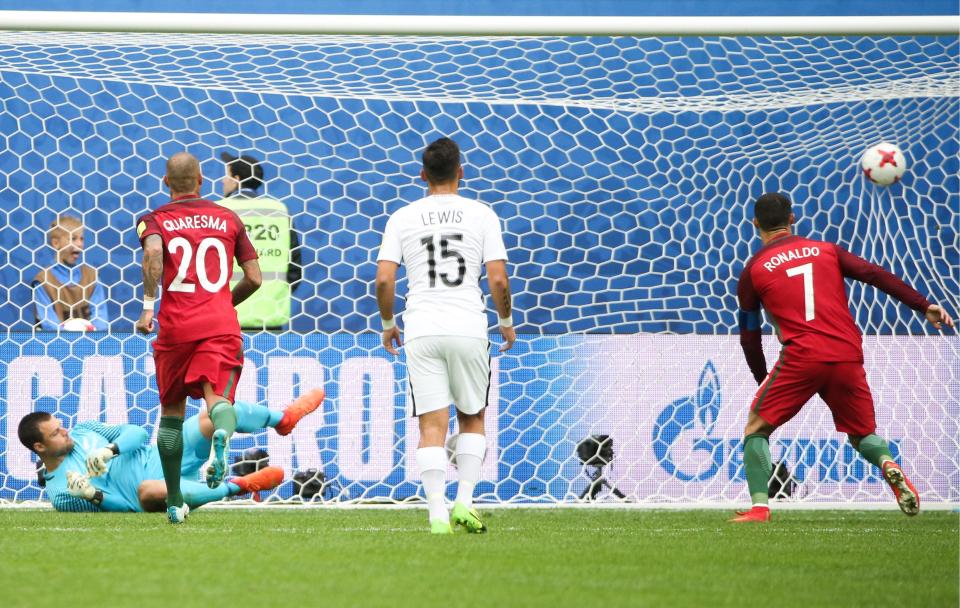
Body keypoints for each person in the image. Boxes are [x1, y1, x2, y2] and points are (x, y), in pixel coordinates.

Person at [732, 192, 954, 523]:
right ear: (793, 219)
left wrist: (762, 376)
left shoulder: (753, 270)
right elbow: (874, 274)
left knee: (756, 428)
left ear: (755, 225)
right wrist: (923, 306)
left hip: (802, 357)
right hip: (847, 353)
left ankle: (760, 508)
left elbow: (750, 335)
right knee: (862, 434)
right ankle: (888, 464)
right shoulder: (826, 251)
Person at [375, 137, 515, 534]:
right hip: (470, 325)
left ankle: (436, 515)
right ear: (461, 172)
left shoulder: (403, 216)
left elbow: (385, 278)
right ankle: (464, 503)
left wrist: (388, 325)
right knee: (472, 418)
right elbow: (498, 277)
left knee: (431, 426)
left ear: (422, 175)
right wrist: (505, 319)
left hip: (422, 328)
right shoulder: (481, 214)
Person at [135, 152, 273, 524]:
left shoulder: (153, 220)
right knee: (218, 400)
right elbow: (256, 278)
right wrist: (221, 303)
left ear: (166, 183)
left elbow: (152, 255)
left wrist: (149, 307)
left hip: (176, 328)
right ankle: (222, 438)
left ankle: (176, 501)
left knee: (172, 416)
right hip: (218, 324)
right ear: (201, 178)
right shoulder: (228, 217)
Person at [17, 392, 322, 513]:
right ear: (40, 448)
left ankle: (283, 419)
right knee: (149, 491)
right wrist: (93, 496)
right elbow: (124, 509)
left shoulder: (84, 430)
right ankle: (241, 485)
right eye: (56, 432)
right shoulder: (60, 494)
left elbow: (135, 433)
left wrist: (112, 450)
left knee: (213, 412)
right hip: (151, 490)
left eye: (61, 425)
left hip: (163, 455)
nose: (65, 430)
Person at [218, 152, 303, 330]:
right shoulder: (279, 211)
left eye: (226, 175)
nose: (222, 181)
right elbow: (295, 270)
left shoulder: (219, 211)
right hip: (271, 318)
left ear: (236, 179)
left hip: (224, 318)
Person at [33, 214, 108, 331]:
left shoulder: (91, 276)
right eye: (73, 238)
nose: (79, 244)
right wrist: (71, 339)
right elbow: (48, 324)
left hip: (89, 344)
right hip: (56, 345)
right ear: (55, 243)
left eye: (81, 238)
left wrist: (91, 335)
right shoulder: (43, 281)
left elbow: (101, 319)